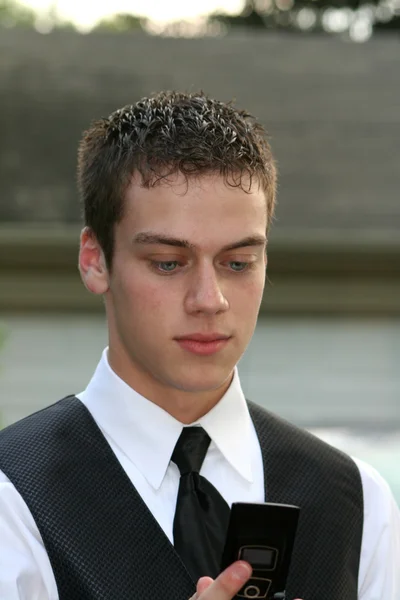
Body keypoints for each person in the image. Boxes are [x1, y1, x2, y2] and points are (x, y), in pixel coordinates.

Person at [0, 91, 399, 600]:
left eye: (237, 263)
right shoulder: (12, 497)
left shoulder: (358, 504)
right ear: (95, 260)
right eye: (168, 262)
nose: (209, 301)